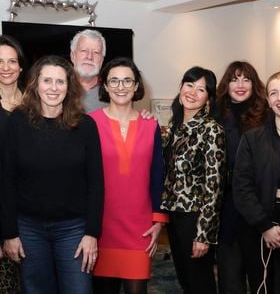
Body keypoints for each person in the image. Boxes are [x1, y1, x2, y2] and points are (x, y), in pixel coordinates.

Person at [1, 55, 104, 294]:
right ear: (36, 84)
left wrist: (92, 233)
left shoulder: (86, 126)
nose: (54, 88)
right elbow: (6, 180)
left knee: (78, 290)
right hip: (28, 229)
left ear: (69, 87)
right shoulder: (17, 122)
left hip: (74, 230)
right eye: (47, 80)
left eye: (60, 82)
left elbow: (96, 183)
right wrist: (9, 233)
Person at [89, 57, 168, 294]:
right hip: (101, 227)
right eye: (114, 80)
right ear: (104, 85)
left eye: (127, 81)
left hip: (139, 228)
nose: (120, 86)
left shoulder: (151, 125)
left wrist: (158, 221)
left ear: (136, 86)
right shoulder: (89, 123)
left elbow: (158, 175)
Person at [233, 72, 280, 294]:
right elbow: (242, 188)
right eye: (274, 93)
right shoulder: (252, 138)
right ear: (269, 100)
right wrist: (265, 226)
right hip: (258, 232)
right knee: (262, 286)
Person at [161, 66, 226, 294]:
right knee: (184, 278)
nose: (192, 92)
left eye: (201, 89)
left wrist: (204, 234)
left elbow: (214, 186)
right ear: (181, 88)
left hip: (195, 217)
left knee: (200, 282)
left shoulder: (211, 130)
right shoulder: (172, 127)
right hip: (173, 213)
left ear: (208, 98)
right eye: (189, 85)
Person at [216, 61, 268, 294]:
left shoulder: (267, 115)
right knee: (230, 276)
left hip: (258, 205)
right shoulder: (214, 113)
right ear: (226, 84)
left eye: (246, 79)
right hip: (226, 206)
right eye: (234, 79)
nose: (240, 84)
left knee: (260, 275)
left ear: (254, 84)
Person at [0, 34, 25, 293]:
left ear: (20, 66)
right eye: (0, 61)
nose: (5, 68)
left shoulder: (34, 103)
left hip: (29, 208)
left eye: (11, 61)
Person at [70, 29, 108, 112]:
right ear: (73, 56)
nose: (89, 57)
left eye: (96, 52)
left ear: (102, 60)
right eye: (83, 51)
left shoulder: (112, 90)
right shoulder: (57, 87)